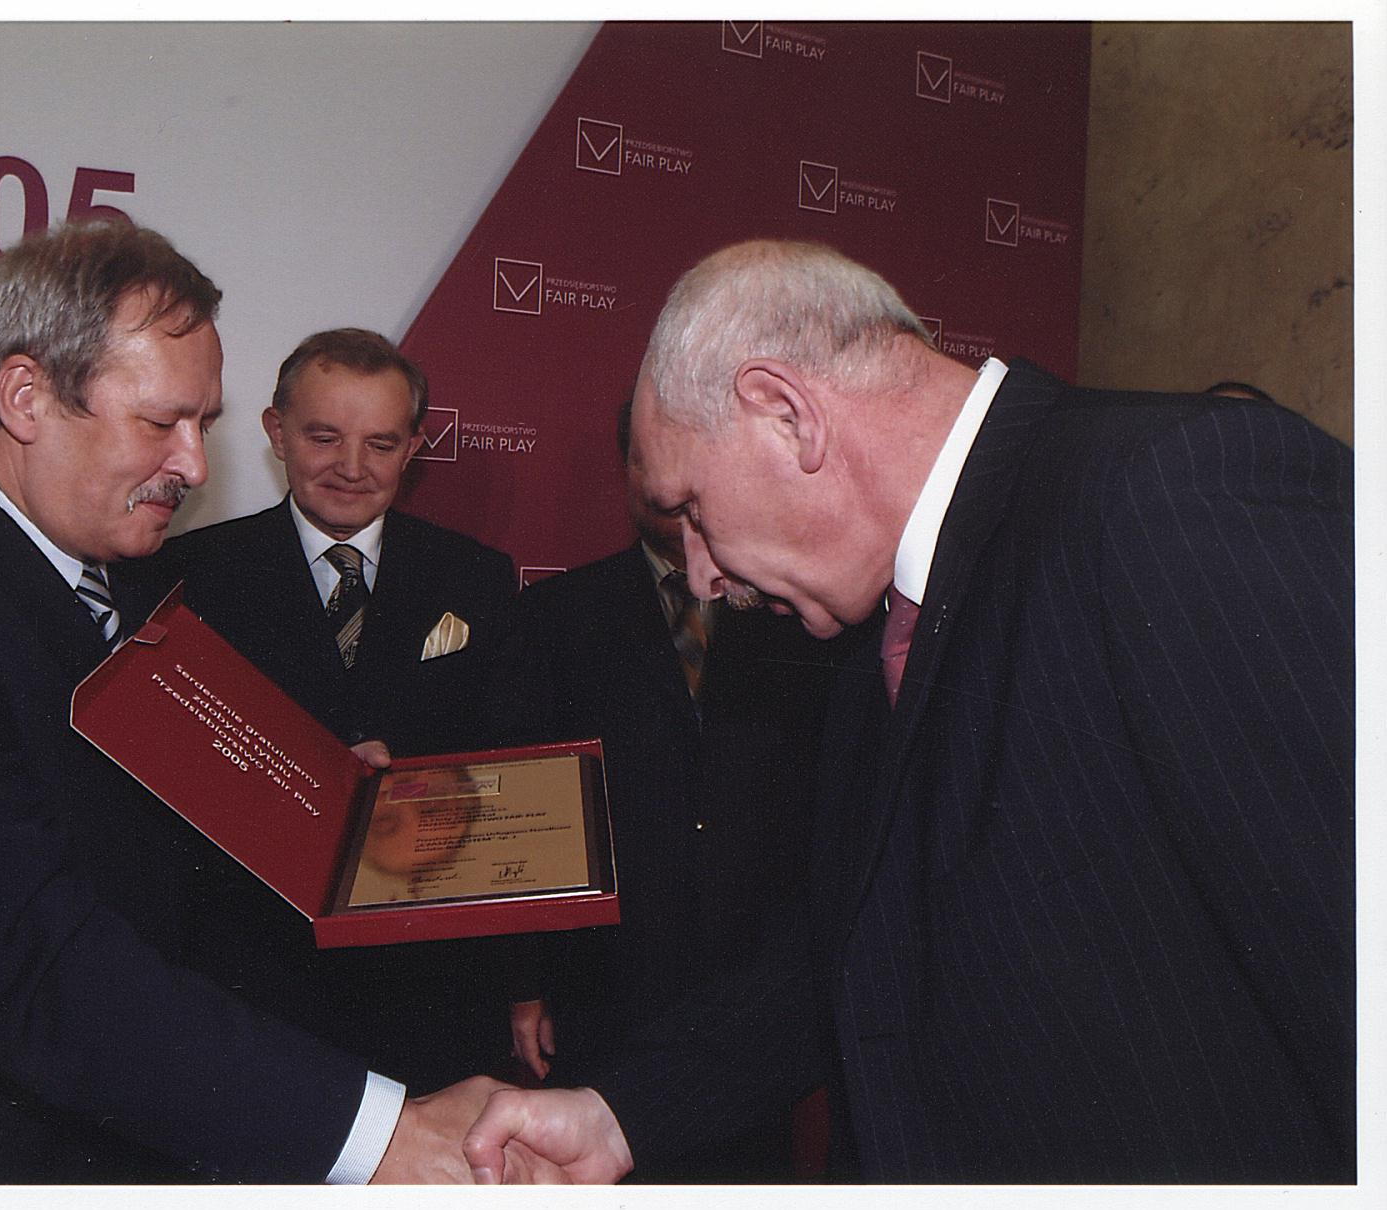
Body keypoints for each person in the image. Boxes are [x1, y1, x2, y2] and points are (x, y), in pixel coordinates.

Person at [463, 238, 1355, 1184]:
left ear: (785, 414)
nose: (700, 575)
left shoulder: (1175, 490)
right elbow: (857, 951)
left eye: (690, 510)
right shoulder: (869, 629)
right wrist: (617, 1118)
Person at [0, 220, 527, 1184]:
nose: (195, 467)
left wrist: (320, 797)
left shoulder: (119, 568)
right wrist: (379, 1137)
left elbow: (136, 818)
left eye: (203, 424)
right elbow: (26, 961)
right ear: (24, 396)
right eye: (160, 423)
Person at [485, 398, 855, 1180]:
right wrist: (526, 985)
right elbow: (520, 807)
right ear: (629, 467)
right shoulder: (555, 616)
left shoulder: (797, 611)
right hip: (605, 974)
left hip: (756, 977)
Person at [145, 327, 516, 1090]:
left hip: (428, 986)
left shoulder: (477, 577)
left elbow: (505, 766)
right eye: (323, 437)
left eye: (381, 444)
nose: (351, 467)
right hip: (252, 981)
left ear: (413, 449)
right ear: (275, 432)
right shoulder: (188, 575)